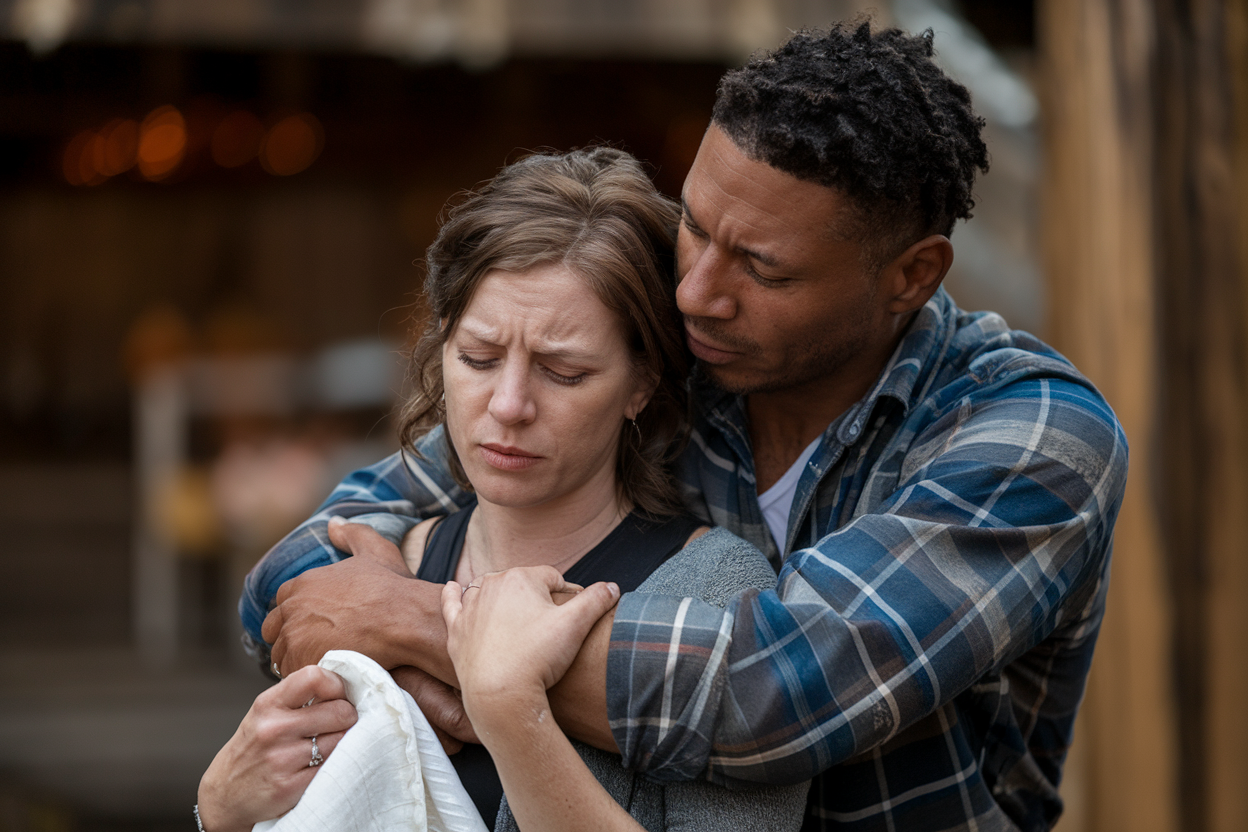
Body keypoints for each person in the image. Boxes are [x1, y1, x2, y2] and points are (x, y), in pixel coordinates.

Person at [245, 22, 1128, 832]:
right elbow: (302, 577)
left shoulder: (1032, 435)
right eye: (696, 229)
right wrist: (380, 643)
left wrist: (424, 630)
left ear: (911, 276)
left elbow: (774, 692)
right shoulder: (669, 358)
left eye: (761, 268)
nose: (698, 291)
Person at [199, 147, 810, 831]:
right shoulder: (375, 569)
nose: (509, 404)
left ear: (641, 384)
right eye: (479, 358)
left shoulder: (713, 591)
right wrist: (221, 807)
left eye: (565, 372)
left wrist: (509, 707)